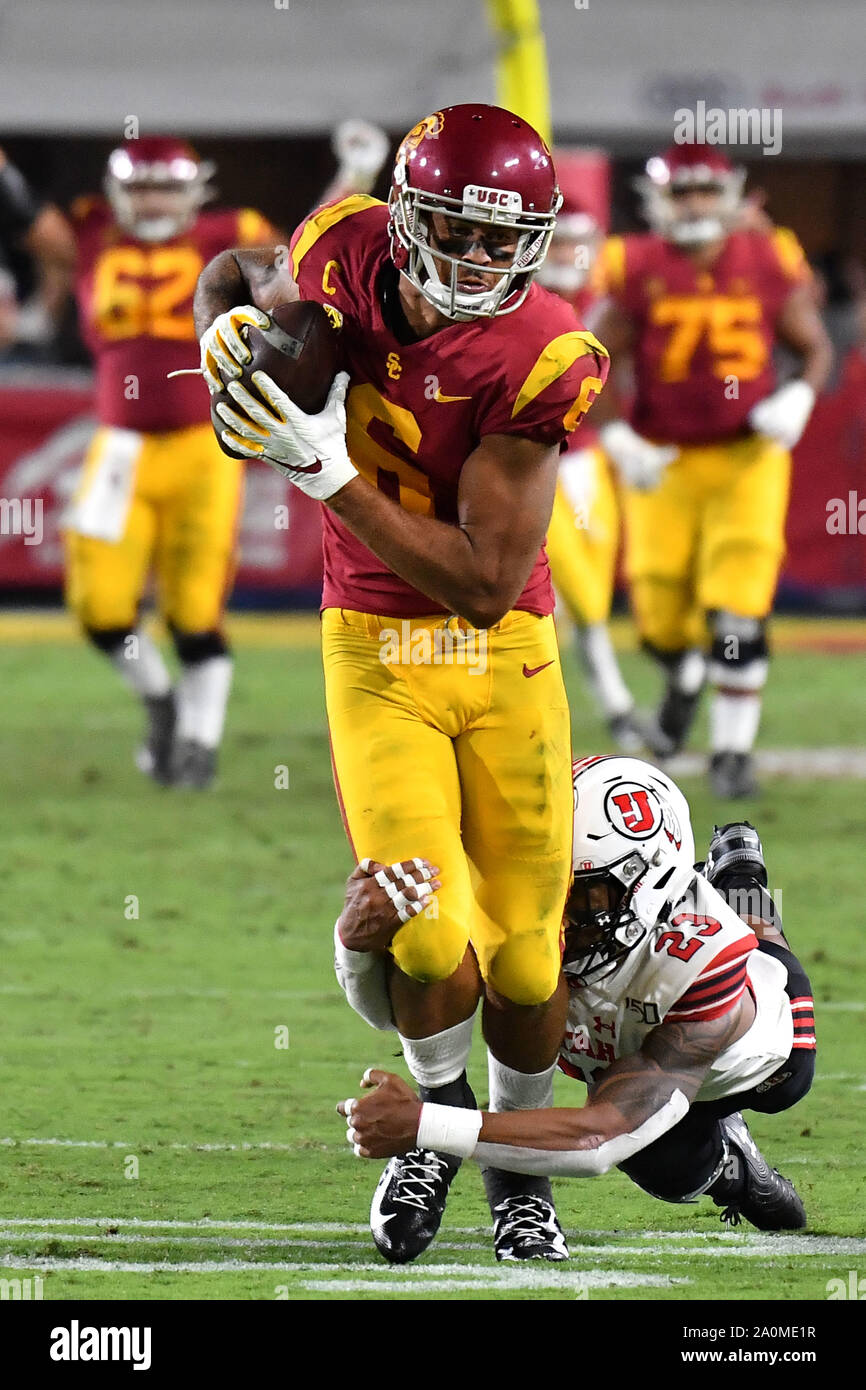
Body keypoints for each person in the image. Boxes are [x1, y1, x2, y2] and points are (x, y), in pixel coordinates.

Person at [193, 104, 610, 1263]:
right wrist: (226, 340)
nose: (480, 261)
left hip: (497, 652)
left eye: (503, 240)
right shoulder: (342, 248)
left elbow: (483, 582)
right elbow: (233, 270)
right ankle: (433, 1129)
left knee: (526, 952)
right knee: (428, 934)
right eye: (457, 234)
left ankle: (519, 1174)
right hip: (375, 650)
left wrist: (324, 474)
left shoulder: (543, 350)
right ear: (406, 215)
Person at [12, 125, 387, 787]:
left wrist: (353, 175)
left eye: (165, 187)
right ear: (118, 191)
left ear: (194, 191)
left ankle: (198, 746)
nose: (153, 202)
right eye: (142, 187)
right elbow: (21, 213)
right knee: (98, 604)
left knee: (194, 609)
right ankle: (160, 699)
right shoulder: (94, 233)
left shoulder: (225, 234)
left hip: (205, 446)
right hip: (120, 446)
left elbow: (303, 254)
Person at [336, 758, 815, 1235]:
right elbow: (396, 1015)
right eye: (548, 882)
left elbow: (598, 1136)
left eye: (581, 893)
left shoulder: (701, 963)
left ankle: (739, 874)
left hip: (755, 1060)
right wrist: (354, 943)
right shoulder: (541, 921)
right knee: (664, 1167)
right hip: (632, 1051)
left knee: (668, 1164)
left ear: (647, 886)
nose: (554, 910)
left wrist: (428, 1125)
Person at [590, 143, 833, 798]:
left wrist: (800, 393)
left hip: (743, 459)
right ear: (658, 201)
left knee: (737, 609)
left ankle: (732, 750)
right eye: (682, 192)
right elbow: (593, 358)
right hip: (663, 461)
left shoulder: (765, 255)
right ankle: (687, 675)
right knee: (659, 620)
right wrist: (616, 436)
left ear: (729, 197)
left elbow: (812, 345)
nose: (694, 204)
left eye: (705, 191)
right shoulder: (634, 263)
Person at [539, 179, 644, 751]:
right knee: (578, 594)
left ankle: (602, 708)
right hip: (535, 467)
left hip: (590, 464)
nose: (567, 257)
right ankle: (618, 708)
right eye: (557, 244)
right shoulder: (517, 301)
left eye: (576, 244)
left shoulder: (604, 301)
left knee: (590, 600)